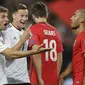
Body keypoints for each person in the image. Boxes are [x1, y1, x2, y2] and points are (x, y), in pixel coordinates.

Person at [0, 6, 51, 85]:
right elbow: (9, 55)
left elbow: (33, 54)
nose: (25, 18)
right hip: (10, 80)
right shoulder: (6, 31)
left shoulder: (27, 32)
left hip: (25, 79)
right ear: (14, 15)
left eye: (26, 16)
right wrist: (23, 40)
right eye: (22, 15)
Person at [29, 2, 63, 85]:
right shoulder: (55, 31)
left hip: (37, 78)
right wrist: (56, 75)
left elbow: (36, 53)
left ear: (33, 16)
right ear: (47, 15)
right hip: (53, 78)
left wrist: (40, 77)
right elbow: (59, 58)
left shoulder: (33, 30)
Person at [60, 9, 85, 85]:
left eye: (74, 15)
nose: (71, 18)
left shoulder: (84, 36)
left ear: (81, 20)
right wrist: (62, 75)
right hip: (77, 80)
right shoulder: (79, 37)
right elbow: (76, 61)